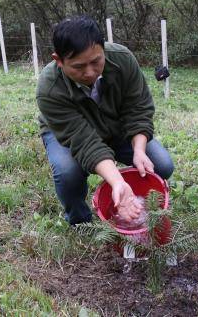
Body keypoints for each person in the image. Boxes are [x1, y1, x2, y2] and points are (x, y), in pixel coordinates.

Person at [36, 15, 174, 225]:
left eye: (96, 61)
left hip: (115, 126)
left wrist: (138, 150)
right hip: (68, 135)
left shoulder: (122, 59)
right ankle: (80, 222)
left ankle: (143, 211)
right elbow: (83, 141)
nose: (89, 72)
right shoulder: (50, 88)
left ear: (103, 50)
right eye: (78, 66)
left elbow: (137, 109)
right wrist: (117, 181)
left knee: (161, 164)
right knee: (68, 172)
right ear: (59, 60)